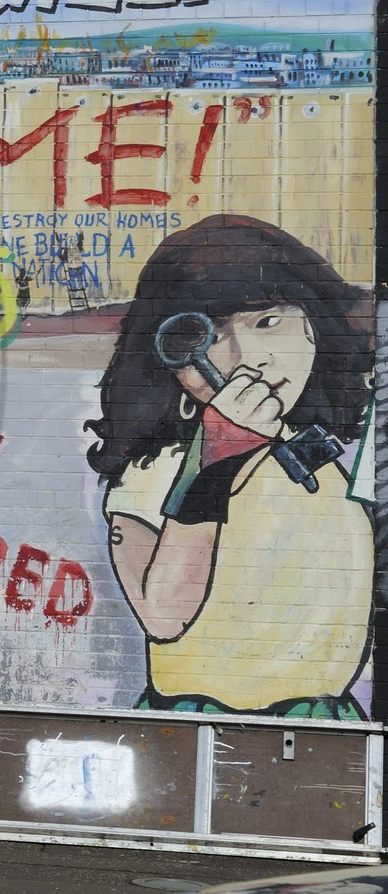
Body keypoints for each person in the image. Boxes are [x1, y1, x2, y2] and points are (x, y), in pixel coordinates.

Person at [86, 214, 372, 717]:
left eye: (268, 321)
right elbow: (164, 615)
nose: (248, 359)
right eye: (211, 336)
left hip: (328, 720)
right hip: (206, 720)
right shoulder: (158, 469)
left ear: (314, 325)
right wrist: (216, 459)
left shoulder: (316, 459)